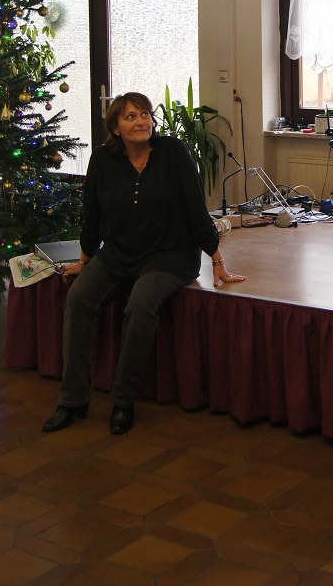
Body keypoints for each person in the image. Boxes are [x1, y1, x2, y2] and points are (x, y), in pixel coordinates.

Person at [42, 91, 245, 435]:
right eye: (131, 116)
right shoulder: (103, 159)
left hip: (170, 255)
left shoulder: (173, 152)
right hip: (118, 253)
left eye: (145, 114)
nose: (141, 122)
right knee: (77, 299)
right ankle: (72, 399)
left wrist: (216, 260)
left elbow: (196, 208)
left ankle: (123, 401)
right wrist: (85, 260)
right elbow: (92, 215)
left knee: (139, 305)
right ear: (115, 127)